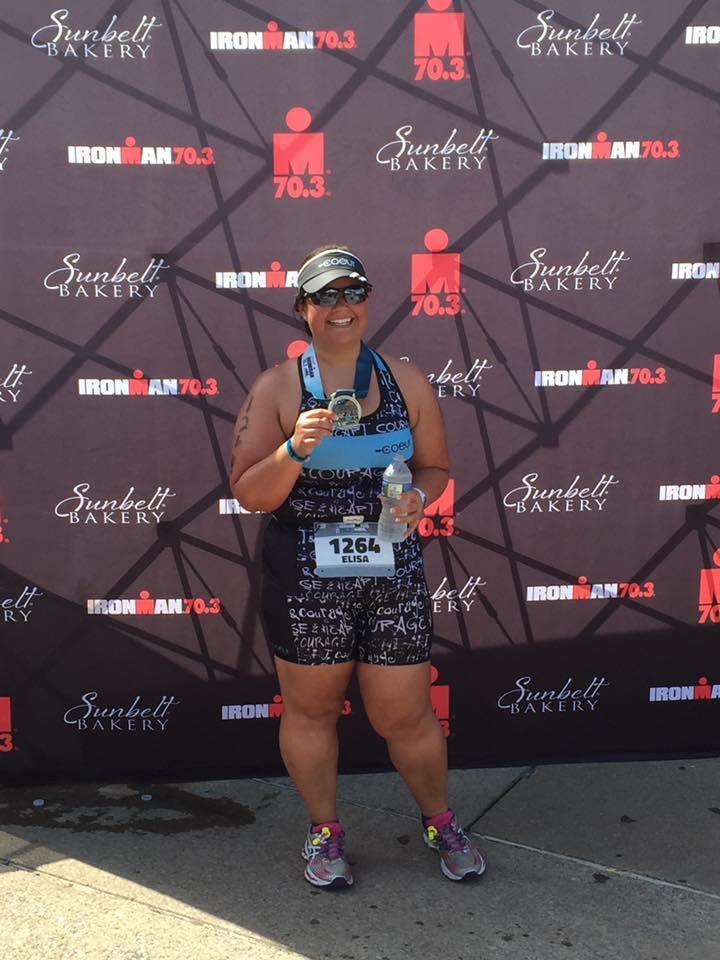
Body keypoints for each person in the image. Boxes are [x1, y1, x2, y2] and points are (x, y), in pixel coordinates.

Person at [229, 244, 485, 888]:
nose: (341, 306)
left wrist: (420, 498)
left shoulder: (407, 380)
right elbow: (251, 493)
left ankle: (440, 821)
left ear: (368, 301)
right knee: (310, 711)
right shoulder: (278, 387)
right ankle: (324, 833)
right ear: (303, 310)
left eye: (353, 292)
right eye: (325, 296)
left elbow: (436, 467)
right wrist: (294, 448)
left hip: (390, 568)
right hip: (305, 577)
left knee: (405, 714)